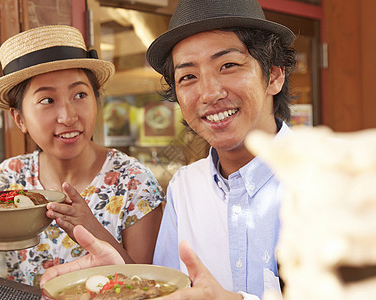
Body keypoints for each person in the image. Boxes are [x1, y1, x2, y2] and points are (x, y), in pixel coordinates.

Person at [42, 0, 297, 298]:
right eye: (188, 76)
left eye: (228, 65)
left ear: (275, 75)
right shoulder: (185, 186)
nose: (209, 93)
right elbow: (170, 293)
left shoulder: (335, 181)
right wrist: (125, 274)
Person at [0, 25, 165, 286]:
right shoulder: (10, 178)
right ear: (19, 119)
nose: (69, 116)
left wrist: (91, 229)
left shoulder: (133, 182)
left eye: (80, 95)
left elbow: (150, 286)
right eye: (47, 100)